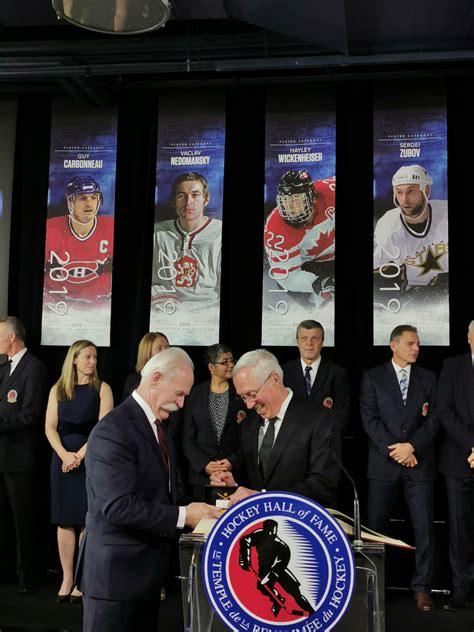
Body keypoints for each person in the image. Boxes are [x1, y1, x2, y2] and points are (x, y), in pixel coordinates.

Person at [78, 347, 221, 632]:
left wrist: (217, 499)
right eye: (179, 394)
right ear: (155, 379)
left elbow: (166, 495)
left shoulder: (157, 427)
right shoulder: (113, 430)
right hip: (114, 583)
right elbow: (118, 507)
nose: (181, 404)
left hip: (144, 580)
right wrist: (184, 516)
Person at [360, 324, 438, 612]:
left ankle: (422, 588)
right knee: (376, 530)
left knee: (424, 529)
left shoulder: (429, 378)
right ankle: (374, 587)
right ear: (393, 345)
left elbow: (434, 420)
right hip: (383, 465)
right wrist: (396, 451)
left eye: (417, 344)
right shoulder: (373, 377)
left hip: (419, 465)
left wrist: (411, 447)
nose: (416, 348)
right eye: (410, 344)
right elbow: (369, 420)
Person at [210, 349, 340, 508]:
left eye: (252, 393)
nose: (249, 405)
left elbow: (323, 485)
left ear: (275, 380)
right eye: (243, 397)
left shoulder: (319, 419)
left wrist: (264, 497)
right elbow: (254, 482)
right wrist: (233, 485)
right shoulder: (249, 424)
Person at [45, 340, 113, 603]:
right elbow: (50, 427)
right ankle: (66, 577)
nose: (93, 362)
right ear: (74, 359)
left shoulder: (102, 388)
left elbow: (102, 427)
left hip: (91, 458)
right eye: (87, 357)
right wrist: (65, 455)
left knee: (86, 519)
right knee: (64, 520)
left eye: (95, 357)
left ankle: (82, 580)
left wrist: (80, 456)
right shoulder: (58, 389)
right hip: (62, 459)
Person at [0, 316, 48, 592]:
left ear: (12, 338)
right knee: (3, 518)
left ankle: (28, 574)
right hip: (2, 456)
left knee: (23, 520)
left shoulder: (34, 368)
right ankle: (4, 569)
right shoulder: (5, 367)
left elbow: (31, 413)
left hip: (20, 457)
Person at [437, 320, 474, 610]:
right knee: (460, 529)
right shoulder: (452, 366)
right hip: (459, 461)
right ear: (469, 337)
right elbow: (445, 411)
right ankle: (461, 590)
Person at [151, 172, 222, 314]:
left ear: (206, 199)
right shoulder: (157, 233)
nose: (189, 202)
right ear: (173, 201)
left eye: (195, 195)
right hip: (167, 313)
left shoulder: (219, 233)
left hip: (209, 315)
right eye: (181, 196)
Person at [264, 170, 336, 306]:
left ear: (312, 197)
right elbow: (286, 276)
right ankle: (313, 310)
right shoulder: (276, 229)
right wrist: (318, 283)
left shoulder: (331, 192)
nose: (290, 208)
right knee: (284, 282)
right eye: (285, 201)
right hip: (308, 266)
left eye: (296, 200)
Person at [373, 165, 448, 292]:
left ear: (427, 190)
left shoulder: (445, 214)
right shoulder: (388, 227)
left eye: (411, 191)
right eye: (399, 192)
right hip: (409, 300)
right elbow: (379, 274)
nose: (404, 200)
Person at [182, 344, 242, 500]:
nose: (231, 365)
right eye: (225, 362)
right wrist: (205, 465)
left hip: (234, 474)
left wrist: (232, 461)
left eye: (232, 361)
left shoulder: (241, 392)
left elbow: (250, 436)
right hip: (201, 478)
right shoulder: (195, 394)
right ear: (211, 367)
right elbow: (187, 438)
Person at [43, 175, 114, 306]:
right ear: (70, 202)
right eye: (82, 198)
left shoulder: (111, 227)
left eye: (94, 197)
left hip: (98, 305)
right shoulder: (50, 229)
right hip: (57, 304)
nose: (89, 203)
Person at [282, 320, 350, 432]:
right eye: (304, 338)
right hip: (291, 442)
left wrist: (319, 438)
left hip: (325, 442)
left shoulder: (338, 374)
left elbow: (341, 416)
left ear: (322, 342)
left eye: (315, 339)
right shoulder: (283, 372)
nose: (309, 343)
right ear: (297, 342)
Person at [239, 519, 314, 618]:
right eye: (268, 531)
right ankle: (278, 600)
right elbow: (244, 541)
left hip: (280, 571)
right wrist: (245, 559)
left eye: (272, 531)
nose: (270, 533)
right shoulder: (259, 535)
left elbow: (279, 566)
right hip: (264, 570)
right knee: (262, 587)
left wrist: (268, 578)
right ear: (264, 529)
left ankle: (313, 612)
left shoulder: (283, 547)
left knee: (296, 593)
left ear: (276, 530)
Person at [122, 332, 169, 401]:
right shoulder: (133, 380)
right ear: (147, 353)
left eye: (167, 347)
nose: (165, 351)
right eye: (159, 348)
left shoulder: (176, 378)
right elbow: (125, 409)